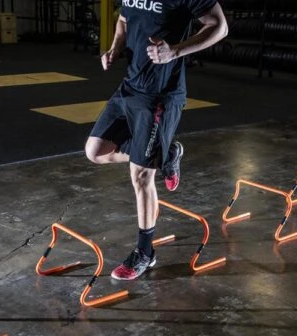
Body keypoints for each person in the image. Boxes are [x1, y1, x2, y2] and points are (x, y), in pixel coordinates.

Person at [85, 0, 228, 280]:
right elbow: (124, 19)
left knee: (140, 175)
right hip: (130, 87)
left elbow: (220, 27)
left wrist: (175, 50)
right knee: (95, 151)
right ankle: (166, 153)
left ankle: (145, 252)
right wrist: (115, 47)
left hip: (161, 95)